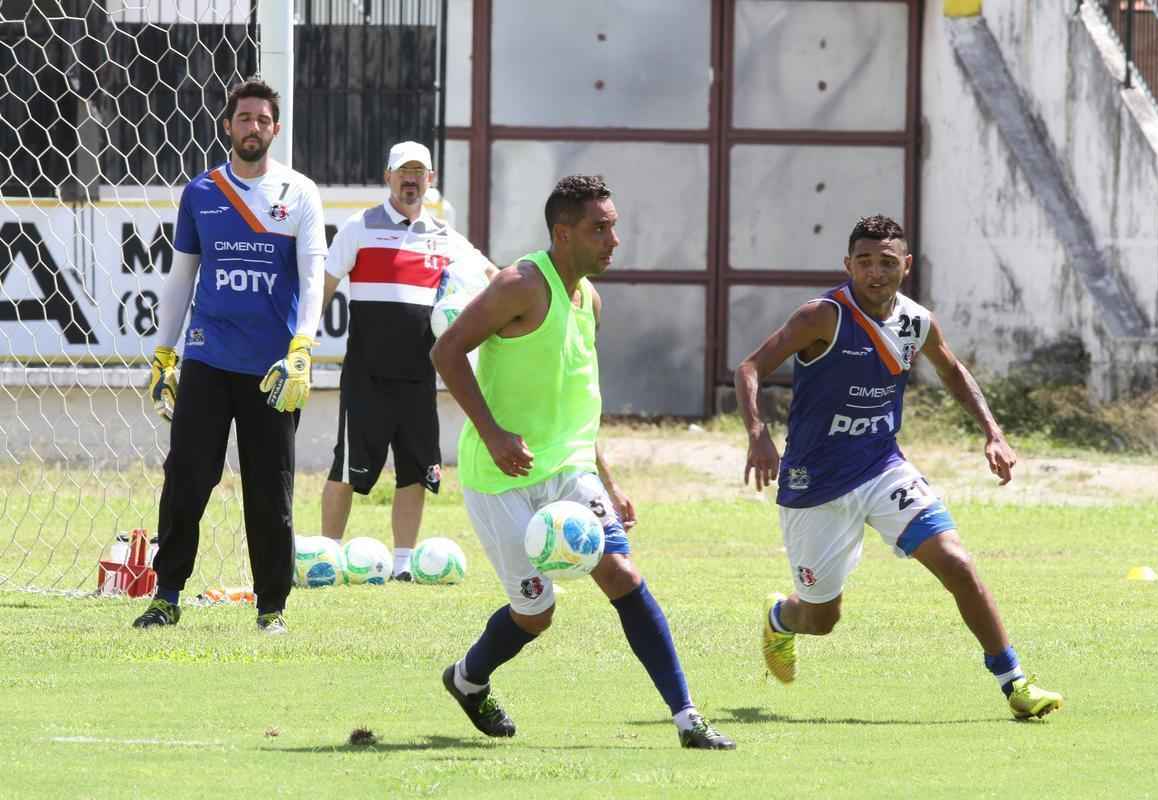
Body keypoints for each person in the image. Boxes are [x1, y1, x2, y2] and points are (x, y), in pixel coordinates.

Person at [430, 175, 735, 750]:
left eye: (613, 227)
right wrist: (492, 434)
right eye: (600, 229)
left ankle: (687, 718)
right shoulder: (519, 285)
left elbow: (578, 403)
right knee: (536, 612)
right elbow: (445, 351)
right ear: (563, 233)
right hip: (500, 478)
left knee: (622, 575)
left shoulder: (590, 300)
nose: (613, 240)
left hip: (570, 472)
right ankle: (468, 679)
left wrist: (609, 483)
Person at [736, 214, 1062, 720]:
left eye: (886, 262)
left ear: (905, 265)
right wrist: (758, 433)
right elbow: (750, 367)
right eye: (864, 262)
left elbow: (951, 369)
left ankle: (1015, 682)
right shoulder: (822, 317)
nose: (875, 272)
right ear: (847, 265)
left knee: (957, 563)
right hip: (815, 482)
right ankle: (781, 618)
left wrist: (993, 431)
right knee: (821, 619)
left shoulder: (916, 321)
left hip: (883, 467)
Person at [135, 79, 327, 634]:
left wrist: (303, 346)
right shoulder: (201, 192)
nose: (253, 127)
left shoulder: (299, 193)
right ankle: (166, 596)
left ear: (275, 129)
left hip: (273, 369)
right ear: (227, 126)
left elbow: (313, 276)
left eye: (262, 120)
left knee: (270, 490)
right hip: (208, 358)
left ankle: (272, 609)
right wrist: (165, 351)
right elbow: (181, 278)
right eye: (244, 118)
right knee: (186, 478)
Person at [319, 140, 494, 579]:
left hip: (419, 377)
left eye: (419, 172)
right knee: (346, 468)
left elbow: (493, 277)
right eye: (403, 171)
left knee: (414, 471)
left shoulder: (446, 238)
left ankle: (402, 565)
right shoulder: (359, 227)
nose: (411, 179)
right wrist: (300, 343)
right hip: (366, 376)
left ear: (430, 179)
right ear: (388, 177)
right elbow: (323, 287)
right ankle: (325, 557)